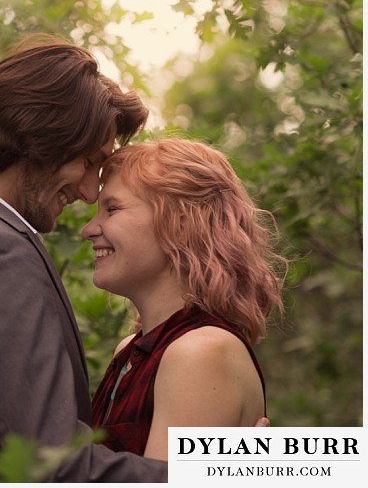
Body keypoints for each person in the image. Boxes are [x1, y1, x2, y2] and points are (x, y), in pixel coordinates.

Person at [0, 33, 169, 481]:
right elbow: (57, 466)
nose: (87, 192)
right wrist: (244, 470)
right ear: (41, 134)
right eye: (87, 161)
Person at [83, 138, 287, 460]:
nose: (89, 229)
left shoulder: (199, 352)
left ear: (180, 222)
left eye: (112, 208)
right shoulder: (132, 351)